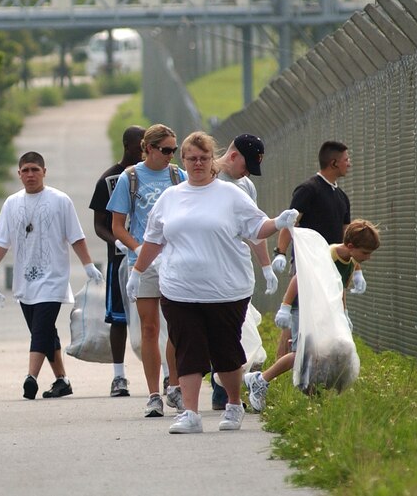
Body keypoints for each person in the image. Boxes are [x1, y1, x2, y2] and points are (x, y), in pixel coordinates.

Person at [127, 131, 298, 434]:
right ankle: (191, 413)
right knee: (187, 350)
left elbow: (256, 228)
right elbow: (154, 239)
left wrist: (278, 223)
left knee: (225, 351)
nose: (197, 164)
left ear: (212, 160)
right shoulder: (170, 198)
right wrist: (137, 273)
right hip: (179, 289)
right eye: (191, 159)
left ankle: (234, 404)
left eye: (203, 158)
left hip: (226, 290)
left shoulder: (230, 195)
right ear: (183, 161)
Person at [0, 151, 104, 400]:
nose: (30, 175)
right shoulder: (12, 203)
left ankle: (31, 377)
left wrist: (88, 264)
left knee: (41, 329)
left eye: (35, 170)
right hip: (25, 279)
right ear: (19, 174)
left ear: (44, 172)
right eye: (25, 170)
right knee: (44, 331)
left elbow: (76, 236)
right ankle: (62, 381)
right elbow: (1, 240)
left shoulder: (60, 200)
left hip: (53, 277)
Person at [244, 219, 380, 412]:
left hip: (322, 311)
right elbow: (300, 277)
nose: (368, 258)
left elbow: (338, 288)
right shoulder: (329, 256)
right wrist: (285, 305)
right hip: (304, 307)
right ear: (350, 246)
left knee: (324, 354)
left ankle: (315, 400)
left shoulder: (350, 261)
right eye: (365, 253)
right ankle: (260, 380)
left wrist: (344, 313)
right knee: (301, 353)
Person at [107, 124, 186, 418]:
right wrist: (139, 249)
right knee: (149, 328)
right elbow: (117, 225)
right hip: (142, 263)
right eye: (166, 150)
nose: (170, 156)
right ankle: (154, 394)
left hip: (175, 261)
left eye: (174, 150)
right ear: (149, 149)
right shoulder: (130, 178)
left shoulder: (179, 177)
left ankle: (175, 385)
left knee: (177, 326)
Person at [210, 133, 277, 409]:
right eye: (246, 165)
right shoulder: (209, 179)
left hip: (236, 268)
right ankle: (217, 387)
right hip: (210, 265)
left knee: (236, 329)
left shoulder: (246, 186)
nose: (247, 172)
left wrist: (266, 266)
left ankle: (224, 389)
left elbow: (255, 230)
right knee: (215, 328)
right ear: (233, 155)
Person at [272, 141, 353, 358]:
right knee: (298, 314)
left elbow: (346, 235)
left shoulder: (342, 197)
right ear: (334, 162)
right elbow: (290, 221)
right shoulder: (309, 190)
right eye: (346, 160)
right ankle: (284, 363)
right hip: (307, 262)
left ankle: (314, 365)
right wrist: (280, 252)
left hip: (331, 264)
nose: (349, 164)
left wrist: (356, 267)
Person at [88, 125, 145, 398]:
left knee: (157, 315)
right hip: (121, 260)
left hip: (151, 257)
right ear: (127, 145)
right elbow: (99, 224)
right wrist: (116, 240)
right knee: (119, 317)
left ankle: (169, 374)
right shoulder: (109, 180)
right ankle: (119, 376)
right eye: (141, 145)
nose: (145, 150)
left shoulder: (152, 176)